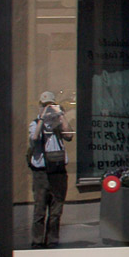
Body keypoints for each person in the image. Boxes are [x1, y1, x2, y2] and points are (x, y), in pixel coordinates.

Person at [27, 91, 74, 248]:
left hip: (58, 172)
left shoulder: (57, 123)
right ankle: (37, 242)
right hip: (41, 173)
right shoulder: (35, 124)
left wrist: (60, 115)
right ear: (40, 107)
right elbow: (34, 139)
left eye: (50, 106)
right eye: (45, 106)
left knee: (56, 210)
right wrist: (42, 119)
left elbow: (69, 135)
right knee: (40, 210)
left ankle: (53, 241)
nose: (48, 109)